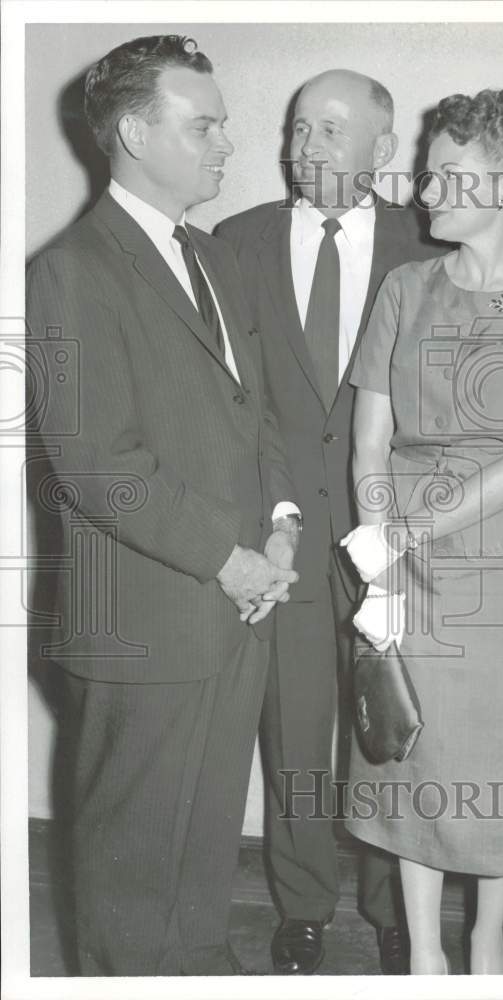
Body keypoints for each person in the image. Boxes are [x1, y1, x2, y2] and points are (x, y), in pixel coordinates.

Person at [26, 35, 301, 975]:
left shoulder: (217, 260)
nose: (229, 143)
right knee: (133, 866)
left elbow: (250, 415)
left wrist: (280, 530)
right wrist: (229, 560)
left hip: (236, 605)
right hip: (146, 618)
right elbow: (95, 462)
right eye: (206, 124)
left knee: (200, 851)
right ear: (137, 131)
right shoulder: (70, 271)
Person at [340, 88, 503, 975]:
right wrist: (379, 541)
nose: (426, 189)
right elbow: (369, 433)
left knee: (492, 747)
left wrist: (409, 528)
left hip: (501, 555)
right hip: (397, 545)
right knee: (406, 744)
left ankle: (484, 937)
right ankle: (422, 953)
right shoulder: (405, 288)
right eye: (427, 170)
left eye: (451, 173)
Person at [216, 69, 438, 974]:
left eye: (332, 131)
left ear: (381, 151)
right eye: (300, 126)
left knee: (390, 721)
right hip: (287, 532)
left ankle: (395, 912)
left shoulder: (429, 246)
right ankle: (302, 905)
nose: (308, 146)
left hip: (400, 531)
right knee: (294, 723)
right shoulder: (235, 241)